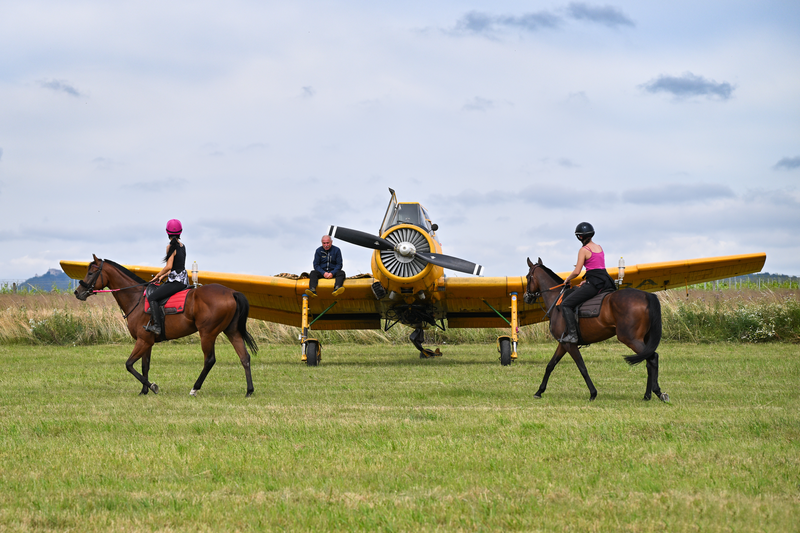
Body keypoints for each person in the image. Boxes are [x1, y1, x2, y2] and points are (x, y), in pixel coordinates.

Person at [557, 222, 616, 344]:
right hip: (606, 281)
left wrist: (568, 279)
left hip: (595, 284)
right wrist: (587, 280)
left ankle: (573, 335)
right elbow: (598, 268)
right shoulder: (599, 247)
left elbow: (577, 271)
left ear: (580, 237)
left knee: (566, 304)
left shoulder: (583, 250)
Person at [144, 219, 189, 335]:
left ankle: (157, 327)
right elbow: (177, 267)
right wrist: (163, 276)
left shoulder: (170, 246)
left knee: (153, 297)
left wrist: (158, 275)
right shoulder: (182, 246)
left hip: (175, 282)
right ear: (181, 232)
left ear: (167, 232)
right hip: (183, 280)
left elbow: (169, 266)